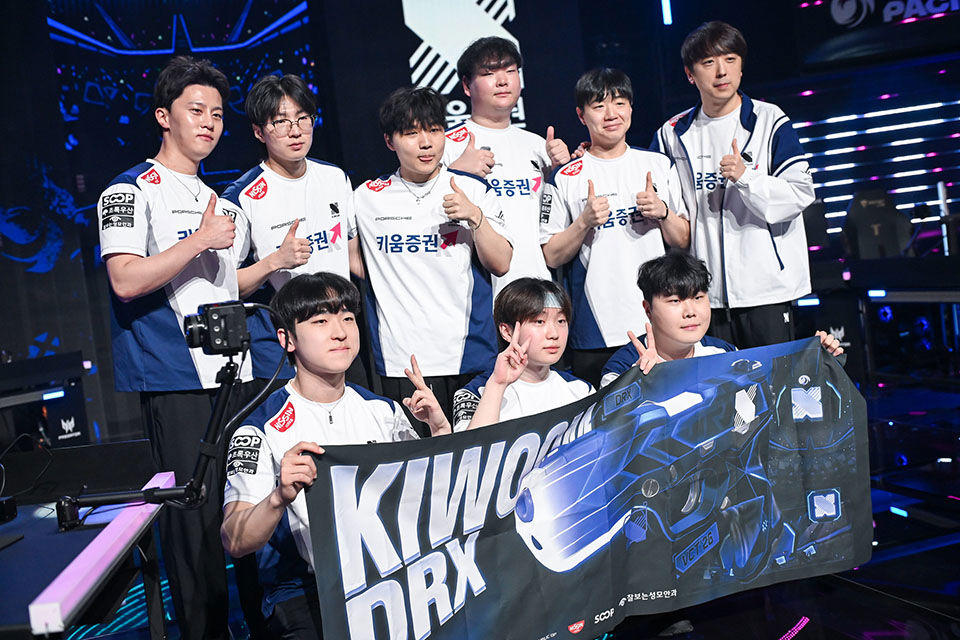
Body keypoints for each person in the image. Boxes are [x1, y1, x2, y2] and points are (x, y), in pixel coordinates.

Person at [97, 56, 247, 640]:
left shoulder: (220, 199)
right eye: (196, 110)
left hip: (234, 379)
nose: (209, 123)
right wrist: (200, 239)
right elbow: (125, 279)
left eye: (217, 114)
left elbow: (223, 287)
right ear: (164, 116)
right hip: (175, 378)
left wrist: (275, 264)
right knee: (191, 530)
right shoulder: (128, 190)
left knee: (241, 513)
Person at [221, 272, 450, 638]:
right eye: (321, 321)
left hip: (393, 577)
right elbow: (234, 540)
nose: (340, 332)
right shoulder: (259, 427)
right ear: (287, 339)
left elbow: (433, 503)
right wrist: (278, 497)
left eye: (347, 318)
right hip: (306, 592)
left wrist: (439, 433)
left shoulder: (385, 411)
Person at [351, 86, 513, 423]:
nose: (426, 143)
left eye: (435, 130)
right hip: (402, 361)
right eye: (411, 133)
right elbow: (353, 261)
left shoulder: (472, 189)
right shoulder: (366, 197)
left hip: (469, 355)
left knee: (476, 450)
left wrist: (475, 217)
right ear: (390, 141)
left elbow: (501, 263)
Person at [651, 21, 816, 349]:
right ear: (690, 73)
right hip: (703, 297)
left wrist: (746, 177)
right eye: (708, 62)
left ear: (741, 66)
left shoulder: (769, 120)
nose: (721, 71)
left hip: (767, 292)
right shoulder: (671, 134)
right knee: (717, 381)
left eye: (730, 59)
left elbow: (800, 193)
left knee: (772, 379)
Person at [539, 68, 690, 388]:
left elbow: (683, 239)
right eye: (599, 106)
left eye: (620, 103)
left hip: (659, 325)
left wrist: (663, 213)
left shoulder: (659, 164)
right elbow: (551, 255)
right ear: (581, 115)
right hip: (595, 331)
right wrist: (583, 222)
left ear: (631, 108)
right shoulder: (565, 177)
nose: (611, 114)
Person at [222, 73, 363, 385]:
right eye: (281, 122)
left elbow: (353, 257)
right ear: (259, 131)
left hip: (340, 337)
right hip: (282, 347)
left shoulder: (335, 178)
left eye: (303, 118)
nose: (295, 130)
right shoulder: (242, 197)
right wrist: (276, 260)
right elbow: (227, 286)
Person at [443, 36, 576, 295]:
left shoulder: (538, 146)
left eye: (511, 71)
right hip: (478, 297)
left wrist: (562, 172)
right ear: (467, 86)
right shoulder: (447, 145)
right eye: (489, 73)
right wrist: (456, 172)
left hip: (539, 290)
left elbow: (555, 227)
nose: (502, 81)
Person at [600, 250, 843, 387]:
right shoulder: (622, 369)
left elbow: (769, 396)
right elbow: (610, 437)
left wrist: (815, 362)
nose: (690, 311)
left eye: (698, 297)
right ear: (648, 309)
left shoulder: (724, 353)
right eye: (675, 301)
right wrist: (640, 385)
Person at [452, 278, 593, 431]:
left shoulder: (581, 390)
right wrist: (497, 385)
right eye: (539, 321)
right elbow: (473, 446)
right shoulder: (474, 394)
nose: (554, 334)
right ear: (507, 331)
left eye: (561, 321)